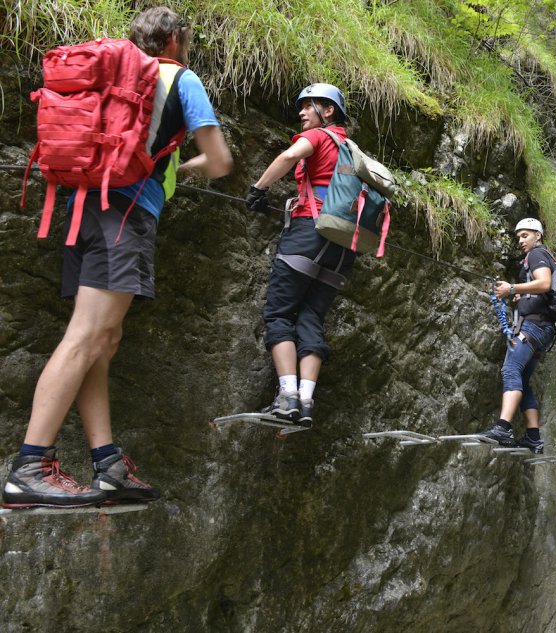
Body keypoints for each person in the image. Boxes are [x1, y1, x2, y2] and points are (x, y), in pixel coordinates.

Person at [3, 7, 233, 508]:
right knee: (87, 336)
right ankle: (29, 467)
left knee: (102, 340)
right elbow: (220, 162)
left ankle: (107, 466)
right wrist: (183, 167)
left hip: (81, 210)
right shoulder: (179, 78)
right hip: (125, 215)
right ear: (173, 39)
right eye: (186, 40)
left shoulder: (112, 79)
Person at [244, 83, 355, 428]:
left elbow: (289, 156)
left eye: (309, 106)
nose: (302, 112)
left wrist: (258, 188)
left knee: (279, 313)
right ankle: (305, 403)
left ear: (329, 111)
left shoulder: (320, 137)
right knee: (310, 318)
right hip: (343, 247)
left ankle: (287, 397)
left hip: (310, 232)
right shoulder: (351, 149)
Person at [478, 218, 556, 454]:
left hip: (533, 327)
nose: (521, 241)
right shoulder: (548, 256)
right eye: (518, 237)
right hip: (545, 329)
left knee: (511, 370)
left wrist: (512, 288)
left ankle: (503, 427)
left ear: (538, 235)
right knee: (522, 378)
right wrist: (522, 295)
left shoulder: (536, 254)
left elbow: (544, 283)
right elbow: (544, 289)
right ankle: (533, 437)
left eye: (525, 235)